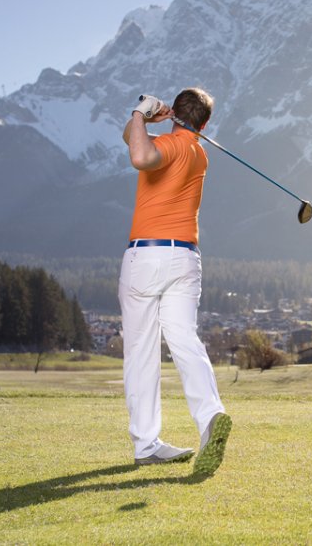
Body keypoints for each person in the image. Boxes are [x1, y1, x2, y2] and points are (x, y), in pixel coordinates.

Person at [119, 87, 231, 476]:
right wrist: (144, 121)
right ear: (204, 123)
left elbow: (138, 154)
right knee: (184, 338)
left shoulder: (172, 146)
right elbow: (133, 139)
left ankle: (146, 443)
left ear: (177, 114)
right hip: (186, 258)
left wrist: (142, 112)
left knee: (141, 351)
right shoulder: (198, 153)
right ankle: (211, 416)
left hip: (147, 256)